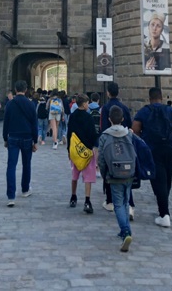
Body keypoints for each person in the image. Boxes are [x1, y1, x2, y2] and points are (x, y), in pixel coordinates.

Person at [132, 87, 172, 227]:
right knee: (167, 179)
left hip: (153, 150)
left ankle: (164, 214)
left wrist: (139, 147)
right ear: (161, 98)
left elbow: (135, 130)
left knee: (158, 180)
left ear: (149, 98)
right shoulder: (170, 110)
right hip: (170, 149)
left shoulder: (144, 111)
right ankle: (163, 208)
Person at [98, 105, 135, 252]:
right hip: (129, 173)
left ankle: (125, 231)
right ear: (123, 119)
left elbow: (101, 159)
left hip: (114, 174)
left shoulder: (105, 136)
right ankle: (126, 230)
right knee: (125, 202)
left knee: (118, 204)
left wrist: (104, 174)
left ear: (109, 119)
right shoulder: (129, 134)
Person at [100, 82, 135, 218]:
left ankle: (110, 201)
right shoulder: (124, 108)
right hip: (125, 145)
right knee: (126, 174)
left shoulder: (106, 107)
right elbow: (131, 126)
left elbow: (103, 128)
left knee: (111, 173)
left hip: (110, 146)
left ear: (108, 93)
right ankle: (130, 204)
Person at [3, 80, 38, 207]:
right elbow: (34, 124)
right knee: (26, 164)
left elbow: (6, 122)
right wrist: (35, 140)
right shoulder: (30, 105)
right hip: (27, 137)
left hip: (13, 137)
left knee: (11, 166)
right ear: (26, 89)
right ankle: (25, 189)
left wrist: (5, 138)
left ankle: (11, 196)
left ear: (15, 89)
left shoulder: (10, 104)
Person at [67, 93, 98, 214]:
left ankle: (73, 196)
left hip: (75, 150)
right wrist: (92, 147)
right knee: (88, 177)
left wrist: (69, 150)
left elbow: (70, 133)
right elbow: (92, 134)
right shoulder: (88, 117)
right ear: (84, 104)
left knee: (75, 175)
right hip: (86, 150)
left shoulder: (73, 116)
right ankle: (87, 200)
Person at [88, 92, 101, 176]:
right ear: (98, 100)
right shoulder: (101, 109)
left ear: (91, 99)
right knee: (97, 148)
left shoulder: (87, 108)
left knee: (90, 148)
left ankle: (89, 167)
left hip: (90, 130)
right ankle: (97, 168)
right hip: (98, 130)